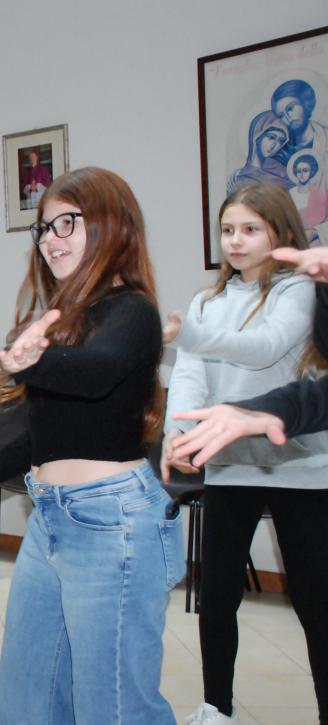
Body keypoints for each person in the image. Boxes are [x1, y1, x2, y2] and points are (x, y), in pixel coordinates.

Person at [0, 167, 179, 724]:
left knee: (114, 710)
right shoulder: (66, 324)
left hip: (114, 522)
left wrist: (31, 361)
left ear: (111, 226)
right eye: (43, 228)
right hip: (50, 518)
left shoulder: (133, 311)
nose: (50, 239)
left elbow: (97, 373)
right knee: (26, 700)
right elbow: (44, 441)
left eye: (67, 223)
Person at [162, 183, 328, 725]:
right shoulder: (206, 303)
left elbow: (264, 349)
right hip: (230, 464)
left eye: (250, 229)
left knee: (314, 601)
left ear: (280, 232)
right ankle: (217, 707)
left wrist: (193, 336)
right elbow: (190, 378)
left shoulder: (299, 290)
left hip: (300, 465)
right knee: (216, 596)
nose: (235, 241)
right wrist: (177, 435)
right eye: (228, 230)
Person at [228, 110, 291, 194]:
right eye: (271, 137)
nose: (274, 145)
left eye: (281, 141)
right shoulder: (237, 177)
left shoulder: (281, 174)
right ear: (257, 136)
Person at [288, 153, 328, 245]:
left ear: (312, 172)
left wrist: (313, 232)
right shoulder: (290, 193)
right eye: (299, 171)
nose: (301, 174)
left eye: (305, 170)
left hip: (313, 238)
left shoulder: (318, 194)